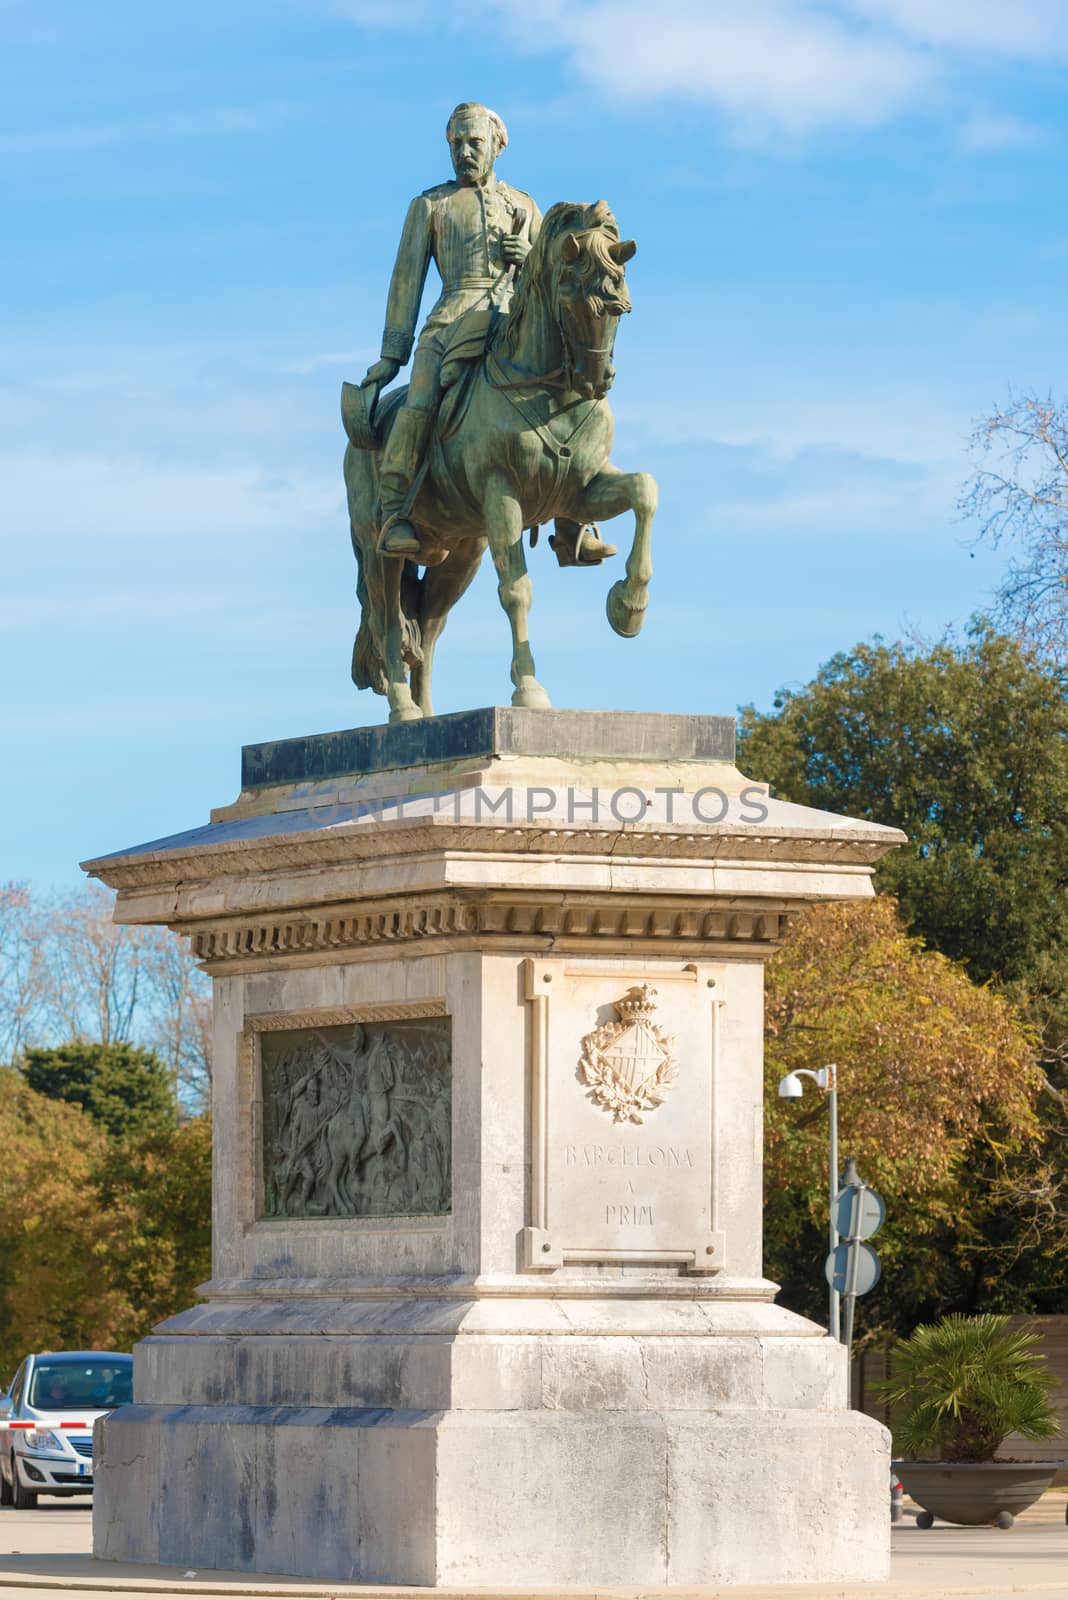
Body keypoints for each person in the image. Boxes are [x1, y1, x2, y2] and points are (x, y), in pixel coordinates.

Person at [361, 102, 541, 558]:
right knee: (419, 402)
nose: (464, 151)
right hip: (449, 323)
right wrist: (391, 356)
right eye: (456, 143)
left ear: (497, 146)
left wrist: (529, 258)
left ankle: (576, 523)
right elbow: (406, 282)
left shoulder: (524, 206)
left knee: (566, 386)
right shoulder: (431, 205)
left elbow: (552, 283)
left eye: (474, 142)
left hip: (513, 323)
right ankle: (396, 510)